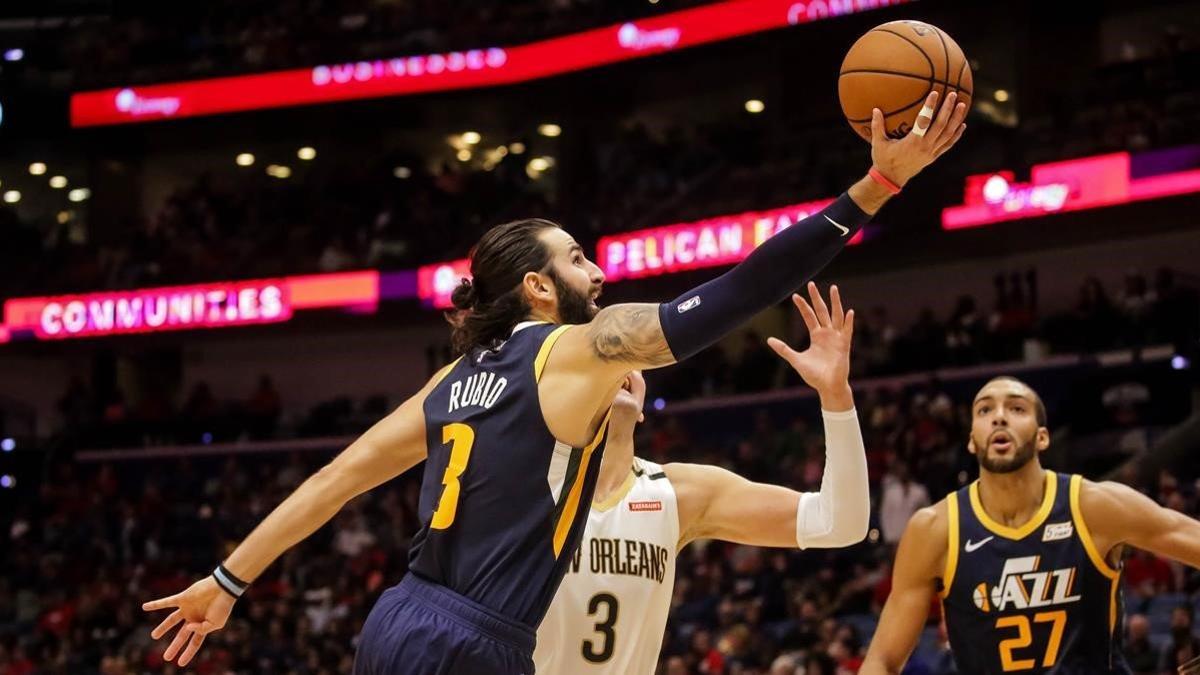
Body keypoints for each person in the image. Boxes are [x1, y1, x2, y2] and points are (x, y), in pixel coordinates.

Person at [143, 93, 967, 673]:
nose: (599, 270)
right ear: (538, 288)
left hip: (397, 620)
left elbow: (333, 480)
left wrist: (227, 580)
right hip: (478, 640)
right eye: (577, 258)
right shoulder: (576, 350)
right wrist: (876, 187)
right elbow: (738, 293)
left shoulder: (453, 382)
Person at [535, 284, 869, 674]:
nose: (618, 370)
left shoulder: (679, 493)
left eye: (627, 363)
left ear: (643, 404)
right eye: (601, 364)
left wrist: (836, 397)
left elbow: (839, 524)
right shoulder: (525, 491)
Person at [860, 376, 1200, 674]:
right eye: (984, 410)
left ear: (1042, 438)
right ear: (971, 440)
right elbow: (882, 661)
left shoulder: (1094, 507)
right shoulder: (936, 529)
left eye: (1017, 409)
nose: (999, 417)